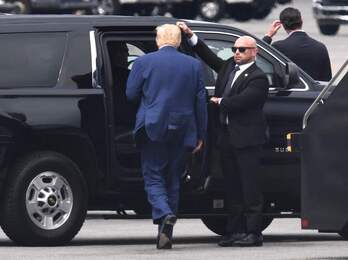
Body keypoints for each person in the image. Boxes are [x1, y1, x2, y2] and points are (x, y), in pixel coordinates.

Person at [177, 21, 268, 247]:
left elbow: (245, 101)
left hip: (247, 140)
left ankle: (253, 232)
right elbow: (208, 56)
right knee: (232, 187)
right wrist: (191, 36)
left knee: (250, 188)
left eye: (242, 50)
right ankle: (234, 231)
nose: (237, 53)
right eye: (235, 49)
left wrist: (221, 101)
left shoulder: (258, 77)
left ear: (253, 52)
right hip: (227, 137)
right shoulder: (229, 67)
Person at [126, 24, 207, 249]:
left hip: (154, 126)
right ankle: (166, 232)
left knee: (153, 175)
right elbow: (200, 103)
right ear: (179, 41)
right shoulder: (193, 65)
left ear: (158, 40)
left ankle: (164, 212)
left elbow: (130, 94)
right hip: (184, 129)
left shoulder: (143, 62)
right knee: (173, 178)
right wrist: (201, 133)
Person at [263, 7, 332, 81]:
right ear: (301, 21)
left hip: (290, 92)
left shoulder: (278, 47)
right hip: (315, 91)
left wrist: (268, 36)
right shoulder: (320, 47)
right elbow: (327, 79)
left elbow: (259, 58)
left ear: (282, 25)